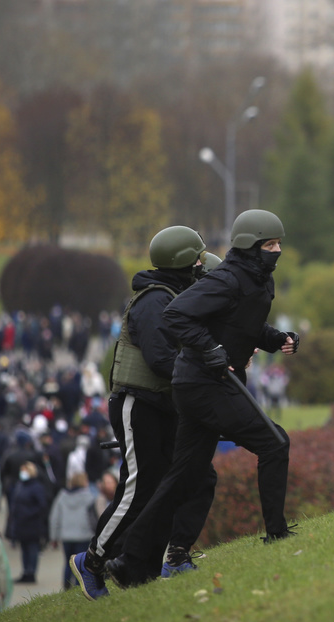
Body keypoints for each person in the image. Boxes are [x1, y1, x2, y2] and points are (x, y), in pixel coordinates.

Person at [103, 210, 298, 589]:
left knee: (182, 477)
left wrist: (277, 339)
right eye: (270, 245)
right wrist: (210, 349)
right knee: (275, 443)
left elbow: (243, 324)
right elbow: (175, 315)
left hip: (201, 383)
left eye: (278, 244)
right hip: (204, 384)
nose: (277, 251)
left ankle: (128, 561)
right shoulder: (227, 279)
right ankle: (276, 533)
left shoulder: (255, 278)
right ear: (250, 246)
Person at [70, 226, 220, 601]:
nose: (202, 264)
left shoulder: (174, 296)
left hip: (160, 404)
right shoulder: (155, 301)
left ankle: (142, 567)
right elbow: (159, 358)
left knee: (166, 484)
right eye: (198, 258)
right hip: (138, 403)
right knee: (139, 486)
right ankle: (91, 561)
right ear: (182, 261)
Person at [49, 472, 96, 590]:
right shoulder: (89, 497)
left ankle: (66, 585)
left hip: (66, 536)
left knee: (68, 562)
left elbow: (54, 517)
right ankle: (78, 587)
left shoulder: (62, 496)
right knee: (80, 563)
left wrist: (54, 537)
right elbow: (93, 517)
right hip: (84, 535)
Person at [5, 461, 47, 584]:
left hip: (32, 523)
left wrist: (29, 513)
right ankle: (25, 572)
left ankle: (31, 572)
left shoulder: (36, 487)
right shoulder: (20, 485)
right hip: (21, 523)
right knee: (23, 548)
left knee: (32, 548)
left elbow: (42, 505)